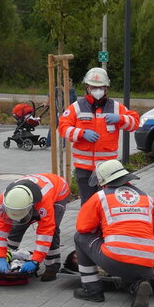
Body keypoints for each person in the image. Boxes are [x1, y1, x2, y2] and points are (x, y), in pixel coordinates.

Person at [73, 159, 154, 307]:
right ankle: (138, 286)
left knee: (79, 237)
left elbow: (83, 227)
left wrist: (102, 230)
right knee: (132, 273)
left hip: (115, 260)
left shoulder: (100, 197)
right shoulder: (148, 199)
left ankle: (92, 290)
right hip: (146, 266)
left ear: (103, 182)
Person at [58, 67, 139, 204]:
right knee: (88, 204)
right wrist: (82, 133)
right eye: (93, 87)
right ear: (87, 87)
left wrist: (120, 118)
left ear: (106, 87)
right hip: (84, 169)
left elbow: (135, 123)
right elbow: (63, 128)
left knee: (107, 203)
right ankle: (88, 226)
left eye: (100, 87)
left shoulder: (116, 107)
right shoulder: (76, 107)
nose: (97, 90)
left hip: (108, 168)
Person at [0, 173, 70, 281]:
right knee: (18, 224)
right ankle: (9, 254)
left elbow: (46, 232)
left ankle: (52, 266)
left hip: (59, 190)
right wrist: (0, 256)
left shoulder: (44, 200)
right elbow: (0, 229)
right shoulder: (5, 200)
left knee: (54, 229)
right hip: (31, 193)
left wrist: (35, 260)